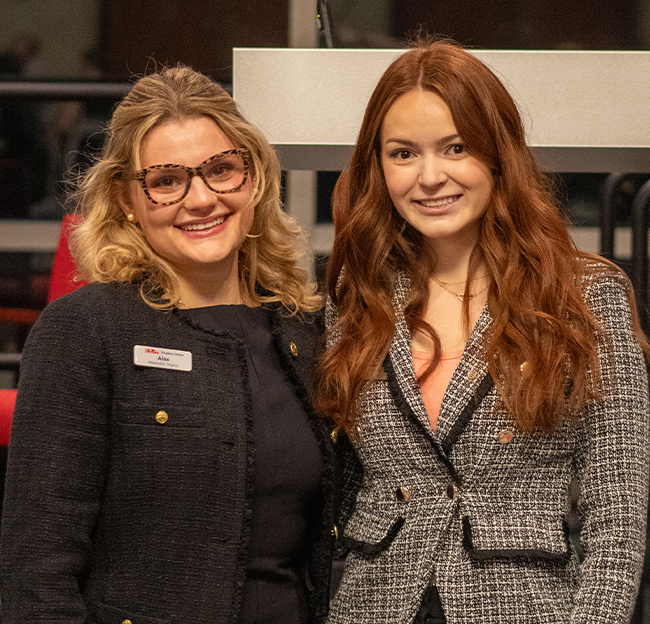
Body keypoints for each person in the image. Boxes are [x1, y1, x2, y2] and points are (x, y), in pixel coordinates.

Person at [318, 40, 650, 624]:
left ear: (498, 156)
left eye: (456, 148)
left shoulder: (586, 296)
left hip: (527, 605)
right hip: (371, 605)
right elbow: (335, 487)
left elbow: (617, 514)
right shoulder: (356, 295)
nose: (429, 177)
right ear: (378, 165)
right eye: (402, 153)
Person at [0, 66, 336, 624]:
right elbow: (36, 573)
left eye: (221, 171)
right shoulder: (85, 331)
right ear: (126, 198)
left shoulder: (304, 331)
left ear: (253, 178)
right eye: (166, 180)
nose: (201, 199)